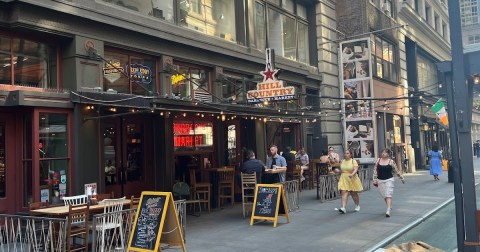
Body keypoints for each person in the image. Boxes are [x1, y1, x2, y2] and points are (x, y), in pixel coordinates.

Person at [373, 149, 405, 217]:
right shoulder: (378, 160)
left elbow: (396, 170)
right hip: (380, 180)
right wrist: (374, 179)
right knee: (384, 195)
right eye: (382, 152)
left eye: (385, 152)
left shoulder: (391, 162)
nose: (383, 154)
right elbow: (375, 170)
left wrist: (401, 178)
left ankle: (388, 210)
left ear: (388, 154)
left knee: (388, 194)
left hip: (389, 179)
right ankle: (389, 206)